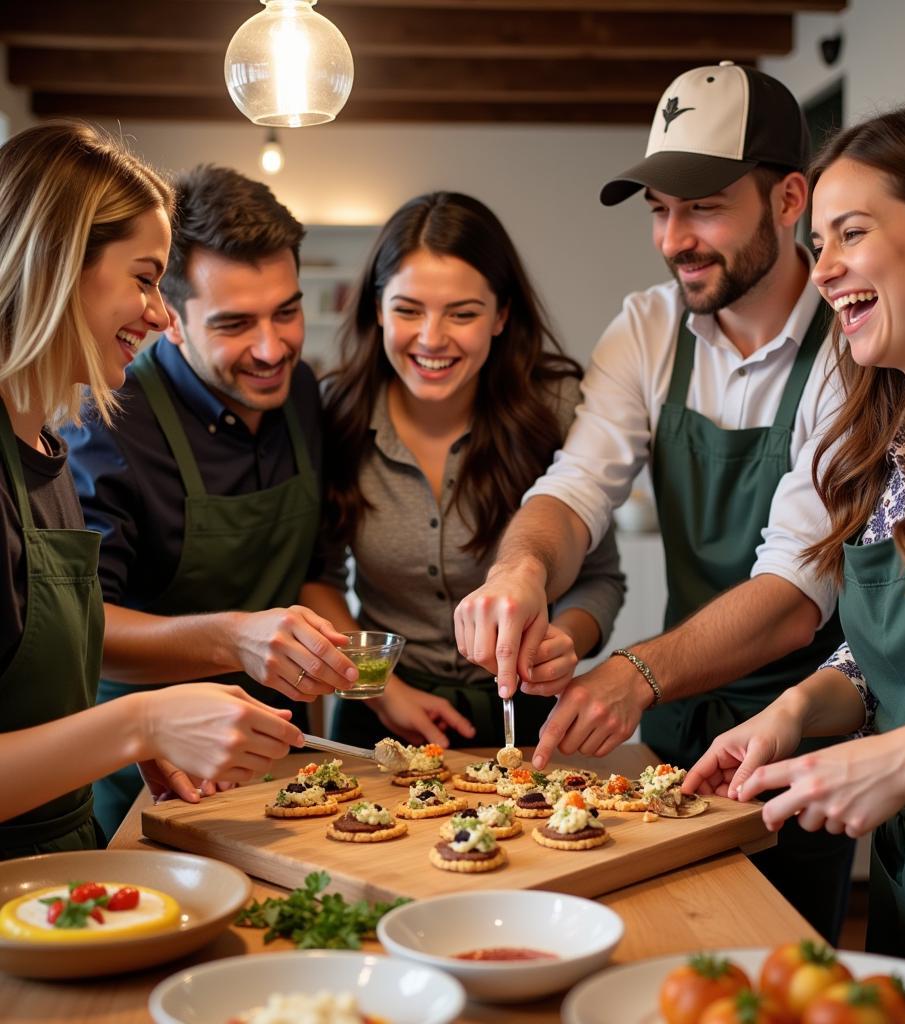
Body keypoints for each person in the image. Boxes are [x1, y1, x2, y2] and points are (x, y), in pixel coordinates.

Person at [454, 62, 854, 942]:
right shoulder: (648, 327)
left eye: (704, 205)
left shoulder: (849, 349)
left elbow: (795, 595)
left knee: (776, 966)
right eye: (658, 211)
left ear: (790, 200)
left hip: (802, 734)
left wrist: (635, 674)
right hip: (680, 719)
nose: (675, 239)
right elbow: (576, 487)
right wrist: (521, 571)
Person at [683, 98, 905, 1002]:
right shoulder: (899, 434)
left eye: (851, 234)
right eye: (817, 241)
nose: (822, 268)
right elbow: (898, 653)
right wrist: (798, 707)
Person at [0, 121, 304, 859]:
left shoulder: (45, 450)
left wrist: (130, 744)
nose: (161, 314)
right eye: (144, 278)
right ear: (58, 264)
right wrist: (140, 725)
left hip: (60, 874)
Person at [64, 165, 357, 838]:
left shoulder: (303, 394)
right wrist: (234, 637)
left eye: (287, 311)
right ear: (170, 320)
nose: (271, 347)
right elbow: (87, 631)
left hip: (286, 756)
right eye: (234, 324)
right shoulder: (105, 421)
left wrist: (371, 680)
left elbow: (315, 570)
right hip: (153, 772)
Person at [310, 191, 624, 749]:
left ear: (502, 315)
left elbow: (600, 577)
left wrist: (563, 639)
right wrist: (383, 690)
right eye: (408, 310)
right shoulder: (334, 411)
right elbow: (318, 578)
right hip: (380, 713)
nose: (432, 338)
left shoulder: (552, 405)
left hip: (525, 714)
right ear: (377, 308)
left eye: (463, 313)